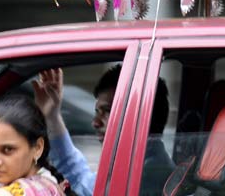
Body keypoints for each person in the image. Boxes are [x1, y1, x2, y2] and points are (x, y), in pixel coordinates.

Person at [33, 66, 174, 196]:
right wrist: (52, 115)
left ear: (140, 117)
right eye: (97, 112)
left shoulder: (148, 176)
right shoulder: (137, 164)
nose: (95, 122)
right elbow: (84, 181)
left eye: (107, 111)